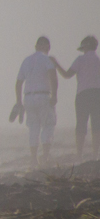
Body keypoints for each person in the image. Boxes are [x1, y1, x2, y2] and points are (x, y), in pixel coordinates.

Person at [53, 35, 100, 157]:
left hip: (83, 94)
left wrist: (56, 64)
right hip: (97, 94)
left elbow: (67, 75)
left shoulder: (80, 60)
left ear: (85, 47)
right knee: (96, 125)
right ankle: (96, 154)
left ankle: (79, 153)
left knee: (81, 124)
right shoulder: (98, 61)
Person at [16, 36, 58, 167]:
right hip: (43, 96)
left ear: (35, 47)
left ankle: (33, 159)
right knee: (48, 125)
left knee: (33, 128)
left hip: (28, 97)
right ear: (48, 47)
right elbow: (53, 78)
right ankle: (45, 156)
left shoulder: (26, 60)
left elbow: (18, 83)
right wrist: (55, 96)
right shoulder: (46, 59)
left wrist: (19, 102)